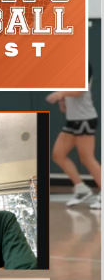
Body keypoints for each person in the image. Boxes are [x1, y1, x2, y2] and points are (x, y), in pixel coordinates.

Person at [47, 74, 101, 210]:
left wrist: (61, 93)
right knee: (58, 155)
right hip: (72, 119)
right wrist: (63, 100)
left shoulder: (84, 65)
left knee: (87, 158)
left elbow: (79, 91)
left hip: (85, 119)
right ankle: (81, 188)